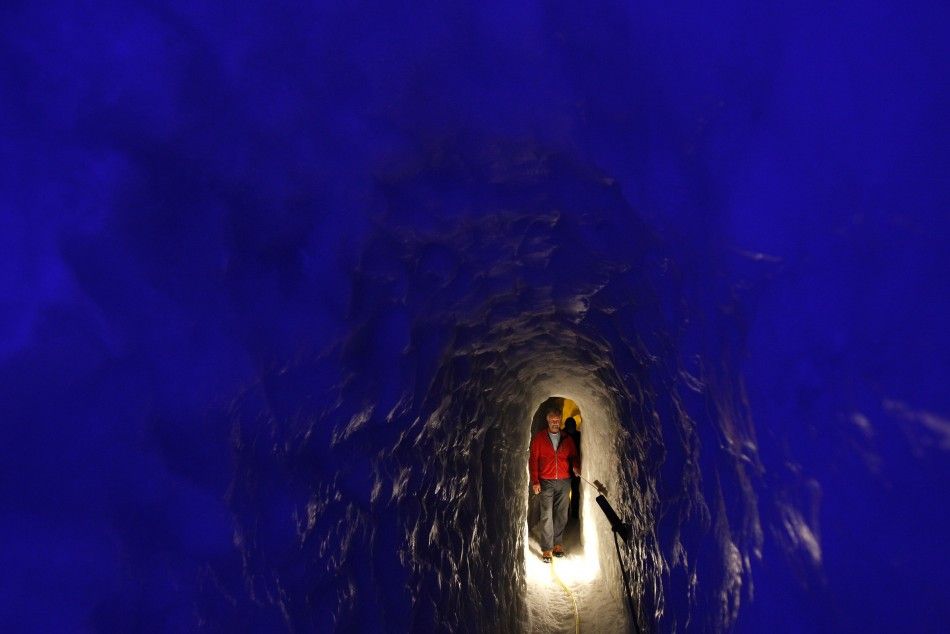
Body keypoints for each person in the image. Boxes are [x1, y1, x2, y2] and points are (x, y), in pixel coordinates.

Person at [530, 408, 581, 562]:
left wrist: (576, 466)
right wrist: (535, 481)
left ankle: (557, 544)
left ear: (560, 421)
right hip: (546, 481)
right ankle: (547, 548)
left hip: (564, 481)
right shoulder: (539, 438)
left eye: (557, 420)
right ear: (548, 421)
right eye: (552, 420)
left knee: (561, 513)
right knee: (546, 514)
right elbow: (533, 460)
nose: (555, 423)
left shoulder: (567, 438)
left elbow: (574, 456)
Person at [563, 416, 581, 519]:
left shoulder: (578, 435)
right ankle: (566, 513)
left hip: (575, 468)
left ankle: (574, 513)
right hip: (564, 469)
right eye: (571, 425)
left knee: (575, 491)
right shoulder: (562, 435)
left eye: (573, 425)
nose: (572, 427)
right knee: (565, 492)